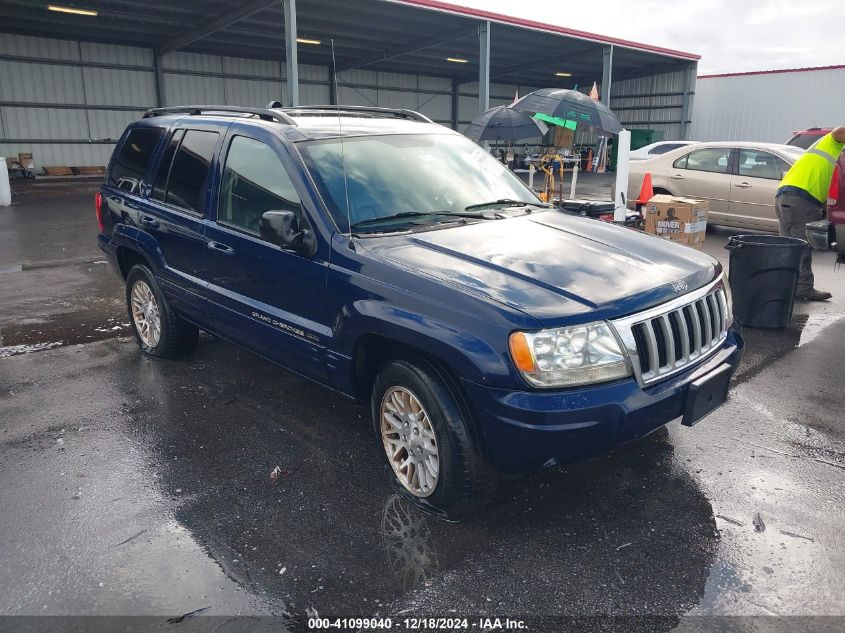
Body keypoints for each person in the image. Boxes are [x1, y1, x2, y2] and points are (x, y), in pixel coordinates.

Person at [775, 126, 845, 301]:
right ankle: (804, 288)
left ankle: (783, 285)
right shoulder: (832, 143)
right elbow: (839, 131)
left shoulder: (825, 153)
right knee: (801, 247)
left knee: (788, 247)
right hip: (801, 198)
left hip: (784, 196)